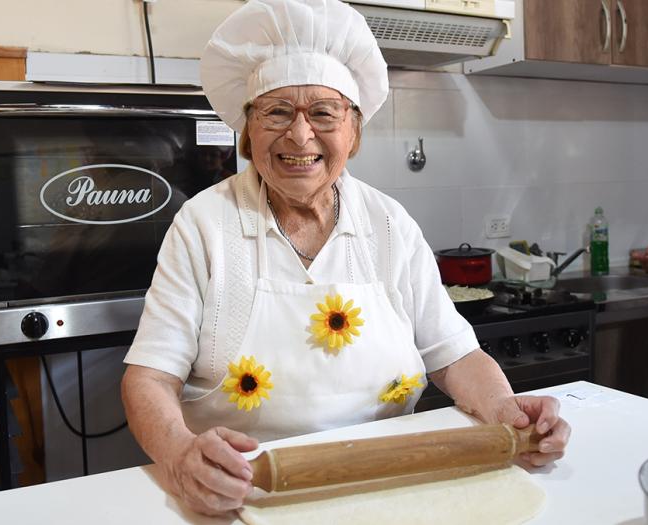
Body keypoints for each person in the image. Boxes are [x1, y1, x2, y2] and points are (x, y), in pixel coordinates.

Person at [120, 0, 570, 516]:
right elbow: (149, 377)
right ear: (248, 132)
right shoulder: (204, 224)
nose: (300, 135)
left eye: (323, 113)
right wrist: (180, 456)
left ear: (354, 132)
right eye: (277, 112)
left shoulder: (388, 223)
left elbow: (454, 354)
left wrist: (504, 409)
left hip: (390, 481)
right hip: (245, 491)